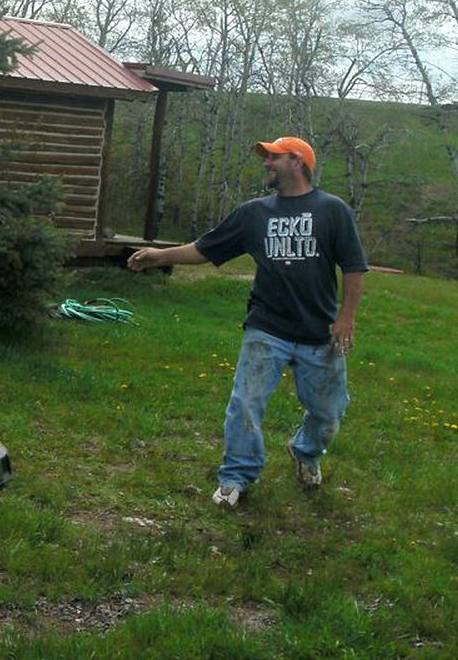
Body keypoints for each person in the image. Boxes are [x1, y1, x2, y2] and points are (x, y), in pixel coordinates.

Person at [127, 136, 367, 509]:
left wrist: (346, 318)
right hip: (266, 326)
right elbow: (205, 249)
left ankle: (305, 452)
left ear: (298, 162)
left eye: (273, 157)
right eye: (266, 158)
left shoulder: (332, 210)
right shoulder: (254, 213)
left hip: (318, 330)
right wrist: (160, 256)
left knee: (329, 412)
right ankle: (237, 476)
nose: (266, 164)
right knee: (246, 403)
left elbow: (353, 266)